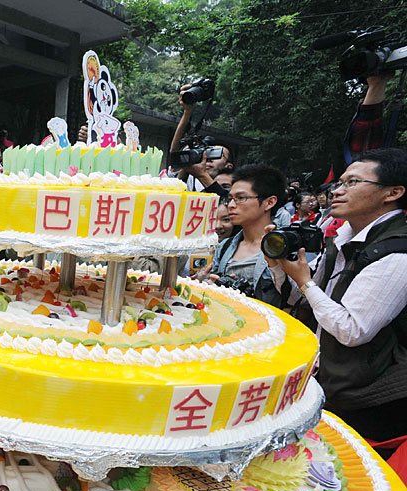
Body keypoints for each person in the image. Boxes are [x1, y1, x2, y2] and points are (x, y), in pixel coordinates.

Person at [268, 148, 407, 442]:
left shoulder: (398, 252)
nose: (337, 191)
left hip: (368, 398)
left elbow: (351, 330)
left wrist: (305, 283)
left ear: (393, 192)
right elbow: (301, 299)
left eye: (352, 182)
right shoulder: (343, 238)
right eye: (339, 183)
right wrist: (279, 265)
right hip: (327, 379)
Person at [206, 163, 289, 307]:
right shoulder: (224, 246)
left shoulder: (284, 248)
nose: (231, 205)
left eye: (241, 198)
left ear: (269, 202)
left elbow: (295, 298)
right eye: (230, 198)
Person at [169, 84, 232, 194]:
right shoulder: (191, 180)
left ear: (228, 166)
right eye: (207, 153)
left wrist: (202, 175)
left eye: (216, 154)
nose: (209, 158)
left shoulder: (233, 185)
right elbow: (174, 154)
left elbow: (224, 200)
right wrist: (187, 111)